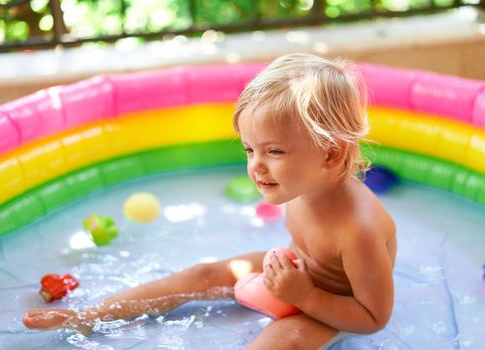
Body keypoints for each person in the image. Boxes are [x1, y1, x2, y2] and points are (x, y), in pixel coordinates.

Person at [22, 53, 397, 349]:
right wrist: (294, 281)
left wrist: (308, 296)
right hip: (297, 272)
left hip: (334, 300)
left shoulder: (357, 230)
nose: (256, 167)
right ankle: (86, 316)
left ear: (330, 154)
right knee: (199, 276)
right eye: (250, 149)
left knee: (282, 342)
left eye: (275, 151)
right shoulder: (304, 184)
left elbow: (373, 318)